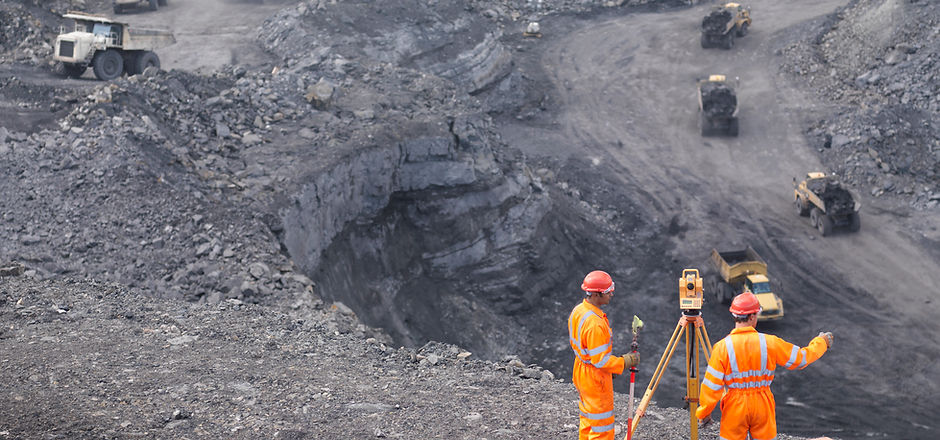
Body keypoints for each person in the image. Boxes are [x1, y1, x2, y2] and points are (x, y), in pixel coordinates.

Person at [697, 291, 834, 440]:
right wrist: (822, 343)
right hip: (762, 404)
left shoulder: (722, 347)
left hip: (735, 406)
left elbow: (711, 386)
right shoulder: (770, 342)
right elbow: (801, 358)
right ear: (752, 316)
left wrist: (704, 413)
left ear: (734, 316)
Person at [568, 270, 639, 439]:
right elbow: (600, 361)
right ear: (597, 294)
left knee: (588, 418)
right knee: (602, 427)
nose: (611, 294)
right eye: (608, 291)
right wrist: (625, 361)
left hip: (581, 370)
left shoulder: (579, 310)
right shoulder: (595, 324)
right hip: (595, 378)